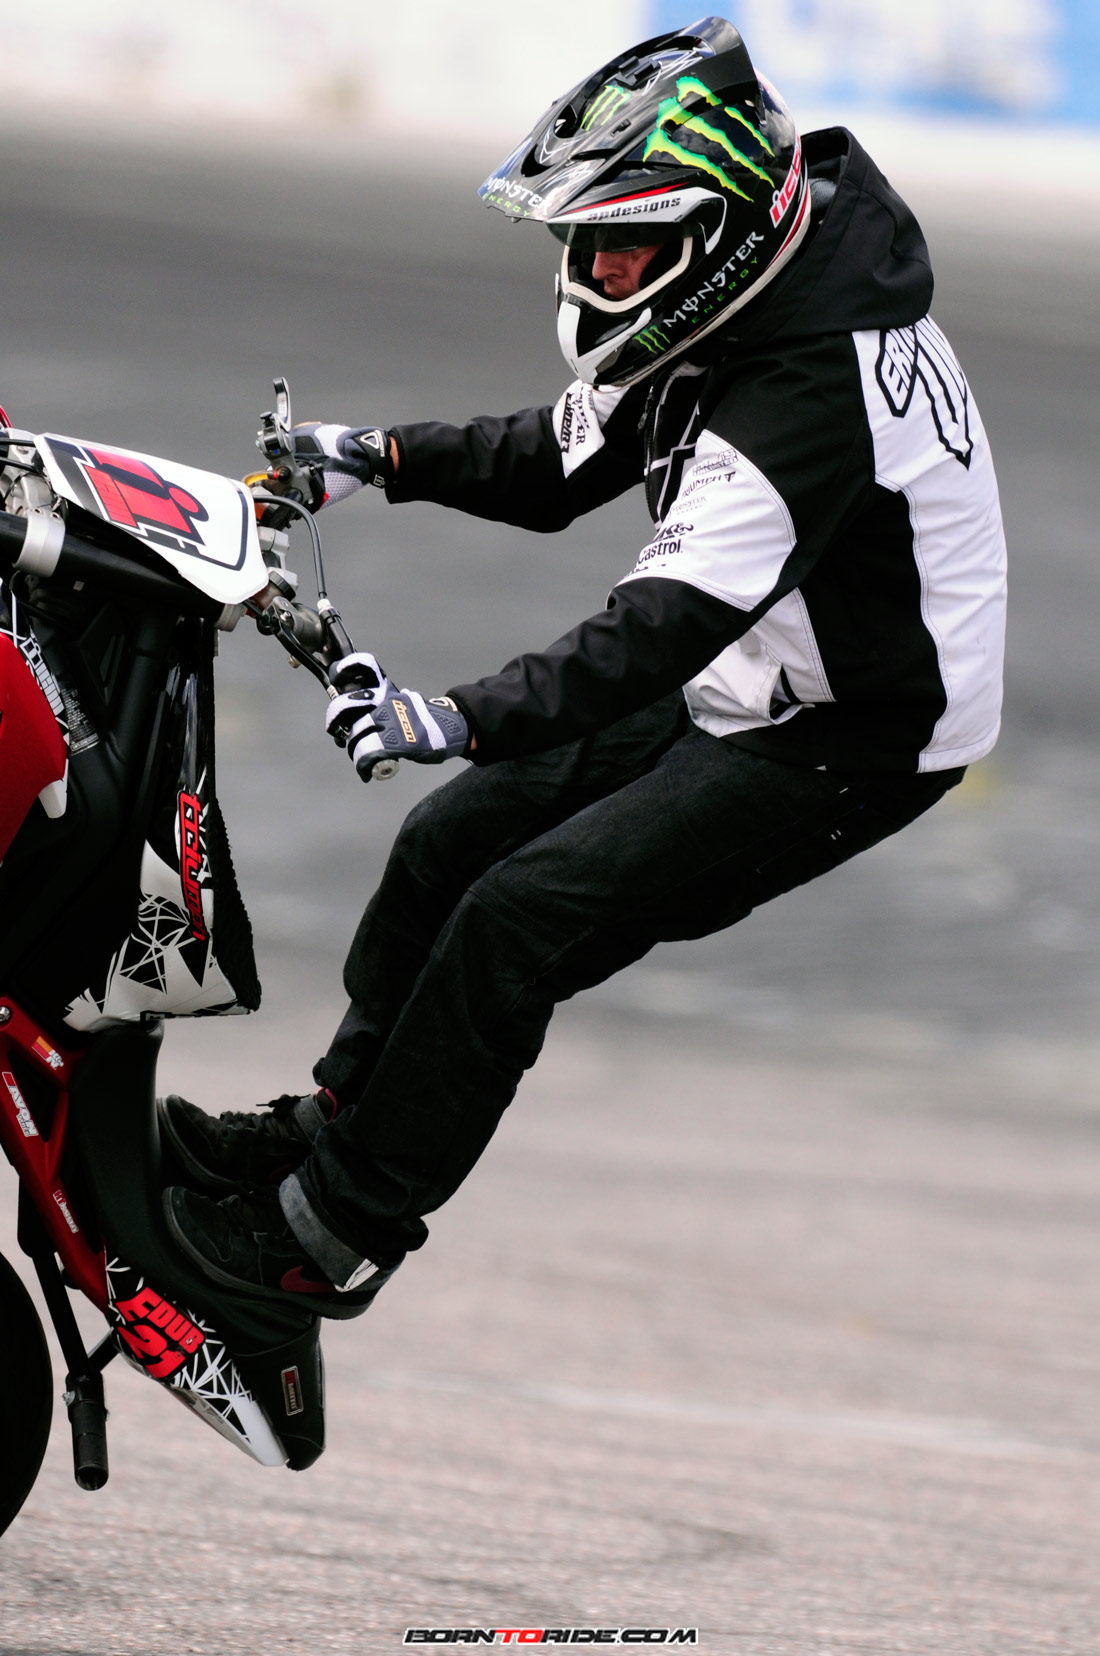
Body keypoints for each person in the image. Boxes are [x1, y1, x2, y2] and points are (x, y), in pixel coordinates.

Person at [162, 17, 1007, 1315]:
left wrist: (456, 716)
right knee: (445, 845)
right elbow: (555, 461)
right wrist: (376, 458)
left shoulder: (802, 399)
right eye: (584, 244)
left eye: (621, 245)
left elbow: (651, 632)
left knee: (519, 921)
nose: (595, 272)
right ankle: (334, 1126)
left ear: (714, 233)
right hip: (766, 659)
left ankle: (331, 1236)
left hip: (855, 733)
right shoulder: (750, 288)